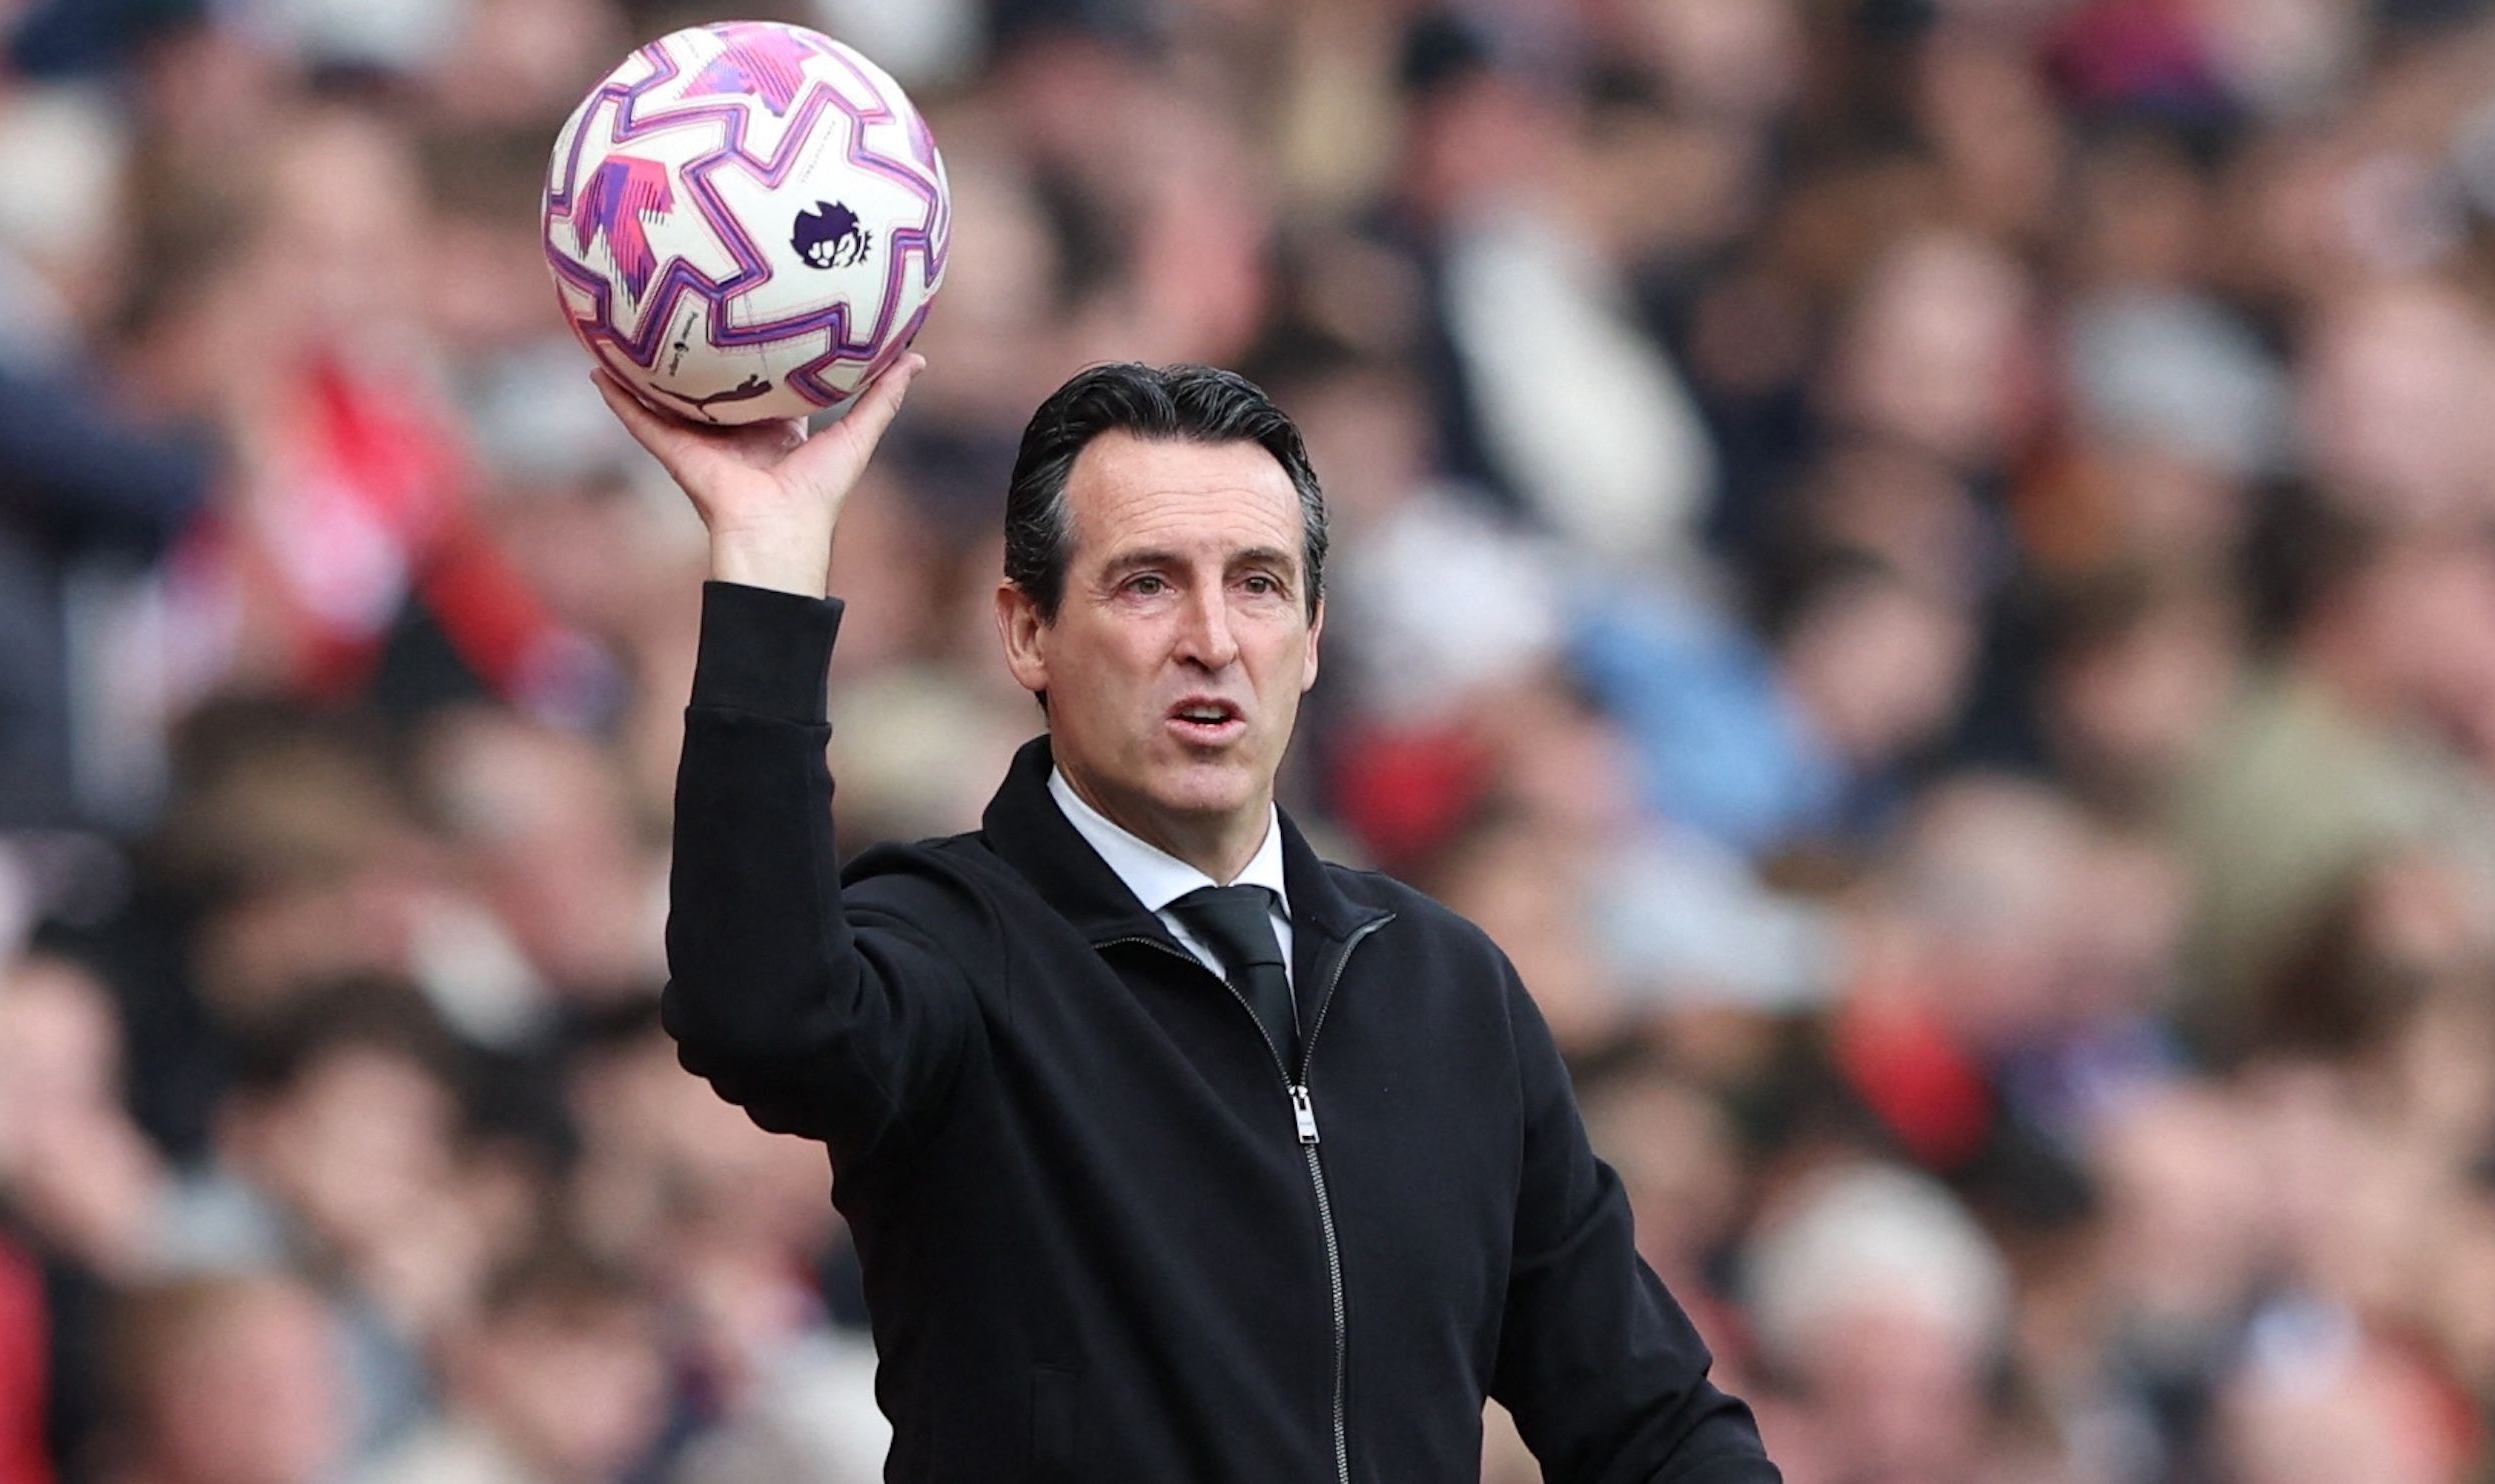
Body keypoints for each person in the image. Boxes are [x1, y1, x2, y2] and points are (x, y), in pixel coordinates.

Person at [599, 354, 1776, 1482]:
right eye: (1148, 581)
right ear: (1027, 632)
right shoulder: (953, 944)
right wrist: (764, 560)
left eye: (1258, 584)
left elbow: (1648, 1425)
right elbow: (759, 1014)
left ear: (1312, 641)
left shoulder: (1441, 984)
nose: (1211, 640)